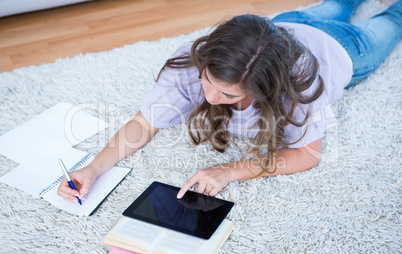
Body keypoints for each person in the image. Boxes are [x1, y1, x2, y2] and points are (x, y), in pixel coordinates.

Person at [57, 0, 402, 202]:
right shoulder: (198, 60)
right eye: (207, 80)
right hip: (282, 26)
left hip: (343, 46)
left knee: (392, 19)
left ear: (263, 89)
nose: (209, 97)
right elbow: (144, 122)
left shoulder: (300, 86)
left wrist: (229, 171)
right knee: (339, 3)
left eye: (228, 94)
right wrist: (94, 168)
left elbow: (308, 154)